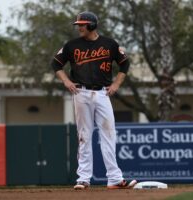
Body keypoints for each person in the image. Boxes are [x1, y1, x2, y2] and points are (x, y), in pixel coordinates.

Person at [51, 11, 137, 190]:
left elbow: (125, 63)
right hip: (81, 93)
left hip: (102, 94)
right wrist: (66, 81)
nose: (79, 27)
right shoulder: (72, 45)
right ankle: (83, 179)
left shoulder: (109, 44)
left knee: (108, 134)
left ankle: (114, 178)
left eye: (82, 24)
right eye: (79, 24)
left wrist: (116, 84)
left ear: (92, 25)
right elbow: (56, 64)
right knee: (84, 135)